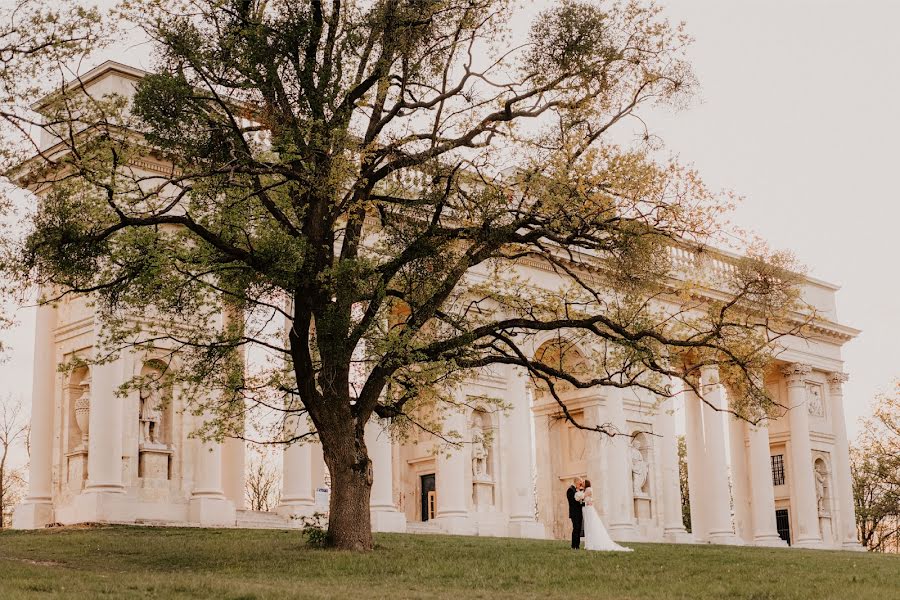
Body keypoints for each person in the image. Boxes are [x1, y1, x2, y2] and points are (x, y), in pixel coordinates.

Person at [582, 479, 633, 552]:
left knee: (591, 525)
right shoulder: (585, 489)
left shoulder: (588, 489)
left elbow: (584, 496)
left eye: (583, 482)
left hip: (589, 509)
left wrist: (579, 495)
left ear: (586, 483)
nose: (582, 483)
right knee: (588, 525)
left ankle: (593, 543)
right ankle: (589, 544)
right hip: (586, 509)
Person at [566, 477, 585, 549]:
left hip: (579, 513)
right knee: (576, 529)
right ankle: (573, 546)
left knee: (579, 529)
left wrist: (585, 503)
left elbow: (579, 502)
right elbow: (572, 502)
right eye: (580, 482)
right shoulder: (570, 490)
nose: (581, 484)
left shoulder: (577, 490)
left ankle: (577, 546)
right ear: (576, 482)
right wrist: (581, 501)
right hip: (574, 513)